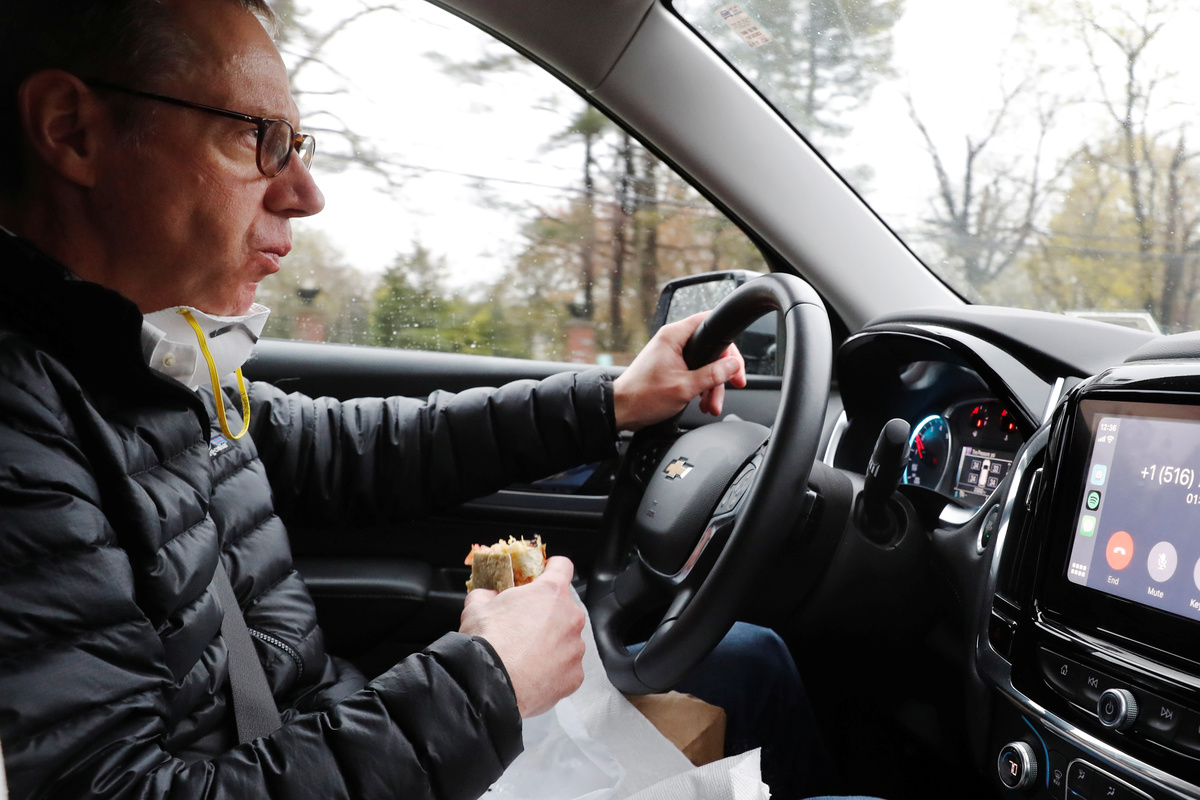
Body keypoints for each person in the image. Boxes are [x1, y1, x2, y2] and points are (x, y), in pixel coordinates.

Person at [0, 1, 840, 798]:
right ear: (73, 131)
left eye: (297, 144)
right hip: (323, 754)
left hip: (322, 736)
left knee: (751, 661)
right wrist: (486, 684)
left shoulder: (152, 362)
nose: (305, 192)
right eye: (258, 137)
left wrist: (612, 401)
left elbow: (345, 449)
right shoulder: (22, 424)